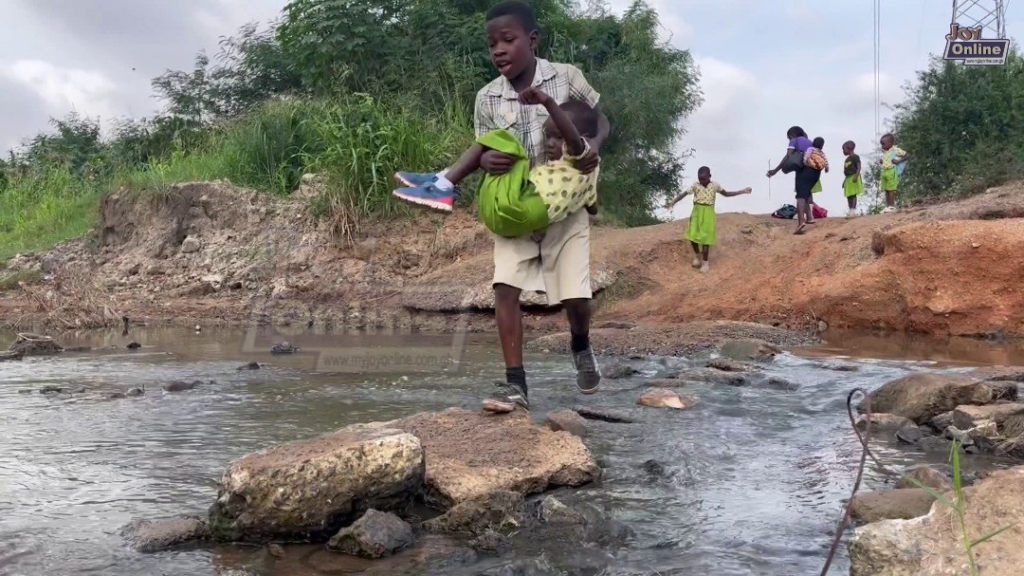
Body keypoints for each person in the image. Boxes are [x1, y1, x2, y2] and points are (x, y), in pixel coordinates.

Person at [391, 0, 610, 413]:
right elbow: (487, 147)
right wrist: (487, 162)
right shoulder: (487, 98)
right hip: (514, 204)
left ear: (531, 40)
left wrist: (592, 147)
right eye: (492, 44)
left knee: (574, 297)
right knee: (505, 288)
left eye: (508, 40)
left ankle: (580, 342)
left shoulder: (566, 77)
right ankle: (517, 386)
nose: (499, 50)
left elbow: (600, 120)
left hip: (563, 205)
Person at [391, 88, 600, 233]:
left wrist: (548, 102)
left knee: (502, 138)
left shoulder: (580, 157)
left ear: (585, 138)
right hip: (521, 221)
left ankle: (444, 183)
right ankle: (442, 180)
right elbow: (591, 206)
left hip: (514, 209)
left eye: (559, 137)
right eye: (548, 136)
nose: (551, 144)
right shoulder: (588, 174)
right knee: (506, 152)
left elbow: (573, 138)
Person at [665, 166, 752, 273]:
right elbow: (684, 194)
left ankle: (705, 263)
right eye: (700, 179)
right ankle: (697, 256)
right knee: (692, 236)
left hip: (708, 213)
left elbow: (726, 194)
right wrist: (673, 202)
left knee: (706, 239)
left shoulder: (715, 186)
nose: (701, 181)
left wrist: (742, 191)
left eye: (704, 179)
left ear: (709, 176)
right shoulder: (695, 185)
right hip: (696, 211)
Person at [767, 126, 819, 234]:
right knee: (806, 191)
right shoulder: (810, 142)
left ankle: (801, 222)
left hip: (803, 169)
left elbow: (788, 156)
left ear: (792, 135)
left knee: (800, 196)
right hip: (815, 171)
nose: (789, 140)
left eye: (788, 138)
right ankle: (810, 217)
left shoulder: (794, 140)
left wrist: (775, 170)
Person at [879, 133, 911, 213]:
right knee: (886, 189)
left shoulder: (896, 150)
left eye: (883, 144)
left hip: (891, 171)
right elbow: (887, 161)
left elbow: (907, 155)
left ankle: (892, 206)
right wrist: (882, 162)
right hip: (885, 171)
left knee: (891, 189)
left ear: (890, 143)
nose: (882, 146)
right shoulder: (885, 152)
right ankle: (888, 206)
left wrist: (898, 161)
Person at [807, 136, 829, 223]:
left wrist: (805, 162)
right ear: (822, 146)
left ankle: (807, 214)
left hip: (808, 174)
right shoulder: (822, 153)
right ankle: (810, 213)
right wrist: (827, 168)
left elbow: (806, 157)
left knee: (806, 195)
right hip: (816, 176)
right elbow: (826, 161)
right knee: (810, 195)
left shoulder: (810, 149)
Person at [842, 140, 864, 218]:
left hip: (854, 177)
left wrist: (856, 175)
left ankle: (853, 211)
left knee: (853, 194)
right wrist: (844, 181)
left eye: (843, 149)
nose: (843, 151)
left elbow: (859, 166)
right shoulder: (847, 159)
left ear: (849, 148)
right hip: (848, 179)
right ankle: (850, 209)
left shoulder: (855, 157)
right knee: (849, 195)